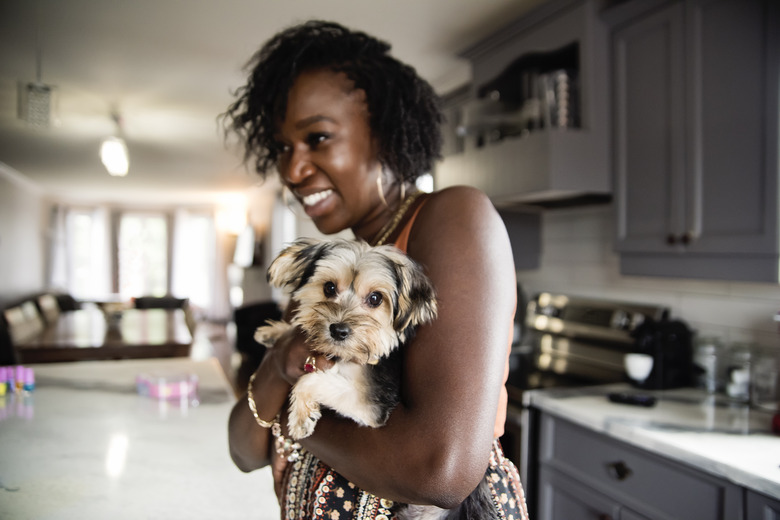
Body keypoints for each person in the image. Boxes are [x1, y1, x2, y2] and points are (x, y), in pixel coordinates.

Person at [223, 20, 529, 519]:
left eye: (316, 137)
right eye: (282, 147)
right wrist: (282, 362)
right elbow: (244, 450)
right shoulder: (339, 274)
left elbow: (439, 471)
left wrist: (300, 402)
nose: (292, 170)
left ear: (384, 128)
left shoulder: (451, 216)